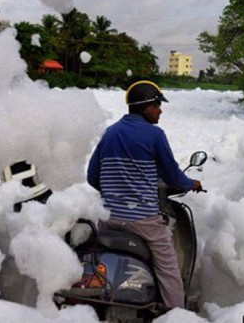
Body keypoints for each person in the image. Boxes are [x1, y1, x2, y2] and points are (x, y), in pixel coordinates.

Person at [87, 80, 202, 309]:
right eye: (157, 105)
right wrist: (192, 183)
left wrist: (115, 191)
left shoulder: (110, 133)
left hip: (108, 218)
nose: (160, 111)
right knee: (168, 267)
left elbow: (92, 176)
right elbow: (173, 177)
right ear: (145, 106)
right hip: (142, 220)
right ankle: (175, 314)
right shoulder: (155, 135)